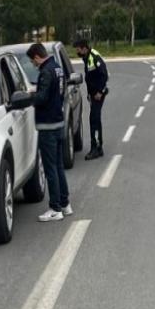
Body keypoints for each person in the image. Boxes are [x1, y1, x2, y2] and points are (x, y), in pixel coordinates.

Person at [27, 43, 73, 223]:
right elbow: (57, 93)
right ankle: (65, 203)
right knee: (59, 166)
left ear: (37, 57)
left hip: (48, 126)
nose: (33, 64)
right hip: (59, 122)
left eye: (32, 61)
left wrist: (30, 96)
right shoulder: (57, 68)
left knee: (50, 169)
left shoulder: (46, 72)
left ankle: (55, 208)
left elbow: (42, 97)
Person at [74, 38, 110, 160]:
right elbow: (90, 78)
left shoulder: (94, 57)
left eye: (78, 50)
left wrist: (100, 91)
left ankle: (96, 148)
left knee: (94, 119)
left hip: (98, 94)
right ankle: (98, 146)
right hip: (93, 95)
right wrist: (90, 94)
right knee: (94, 119)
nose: (77, 52)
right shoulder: (87, 57)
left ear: (84, 48)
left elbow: (104, 75)